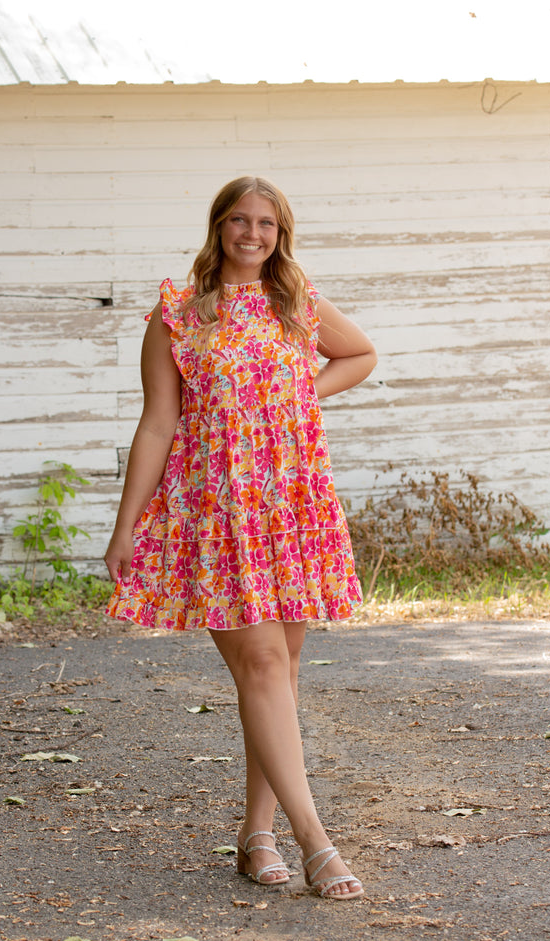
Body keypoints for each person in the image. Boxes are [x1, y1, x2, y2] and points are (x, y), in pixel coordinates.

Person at [104, 176, 377, 900]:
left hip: (289, 503)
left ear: (280, 232)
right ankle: (317, 842)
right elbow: (158, 423)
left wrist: (293, 397)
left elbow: (360, 355)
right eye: (239, 221)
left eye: (266, 223)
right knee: (261, 665)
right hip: (213, 511)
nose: (252, 234)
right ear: (218, 226)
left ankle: (257, 836)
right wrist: (126, 524)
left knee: (280, 676)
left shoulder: (297, 304)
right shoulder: (177, 315)